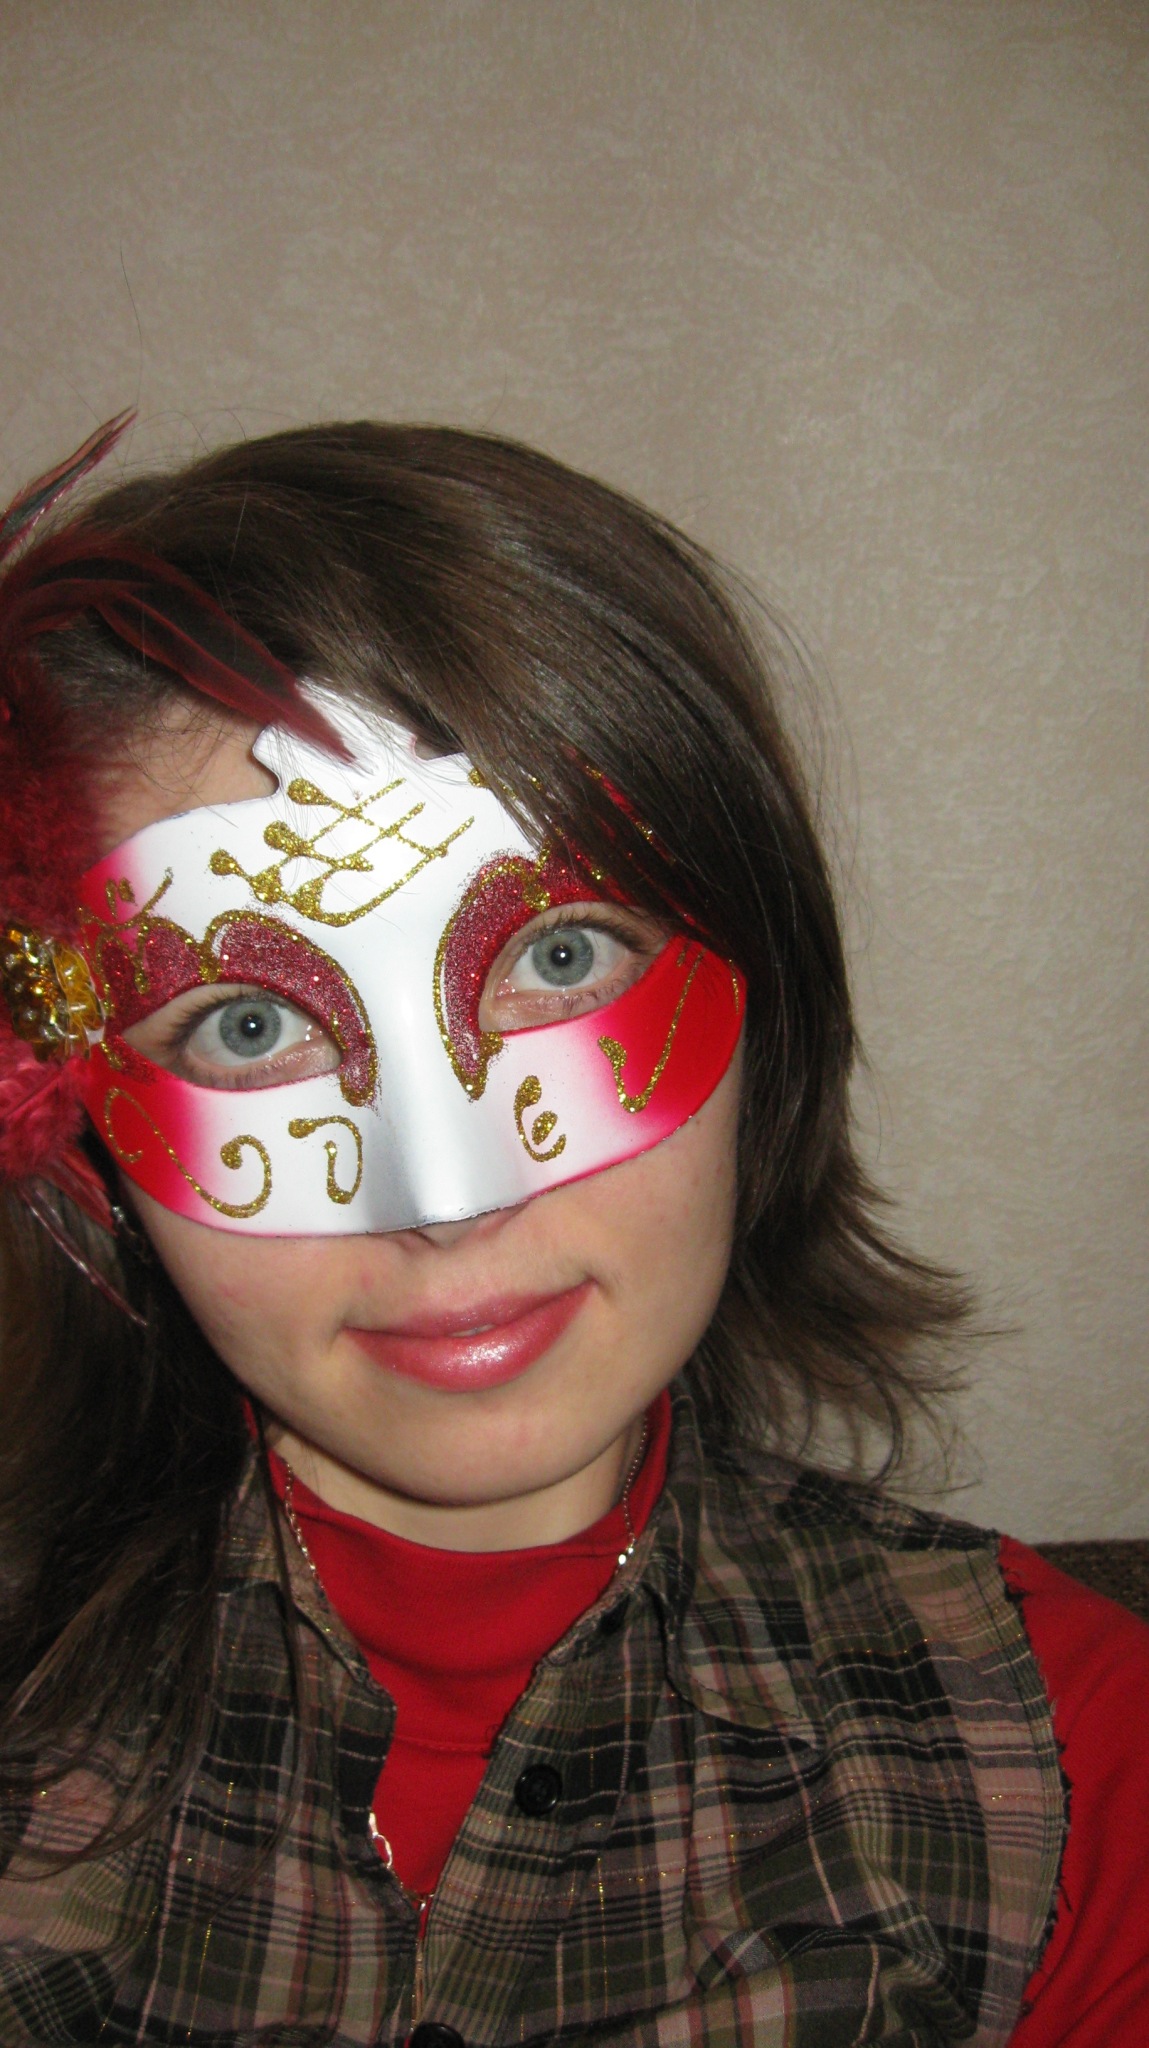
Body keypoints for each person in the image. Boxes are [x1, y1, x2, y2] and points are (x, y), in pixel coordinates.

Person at [0, 415, 1144, 2047]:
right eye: (248, 1029)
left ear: (763, 998)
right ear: (85, 1132)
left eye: (558, 960)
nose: (450, 1198)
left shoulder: (1076, 1761)